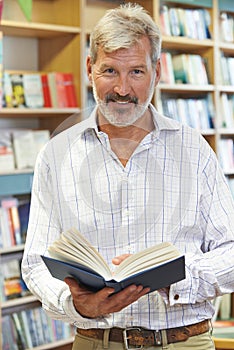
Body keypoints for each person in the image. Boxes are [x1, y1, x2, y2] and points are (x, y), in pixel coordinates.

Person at [22, 3, 234, 349]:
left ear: (157, 71)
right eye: (109, 71)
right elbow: (34, 262)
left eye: (136, 71)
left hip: (183, 341)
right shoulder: (56, 154)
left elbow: (231, 251)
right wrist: (74, 302)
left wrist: (176, 279)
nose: (122, 89)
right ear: (90, 69)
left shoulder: (194, 150)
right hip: (95, 340)